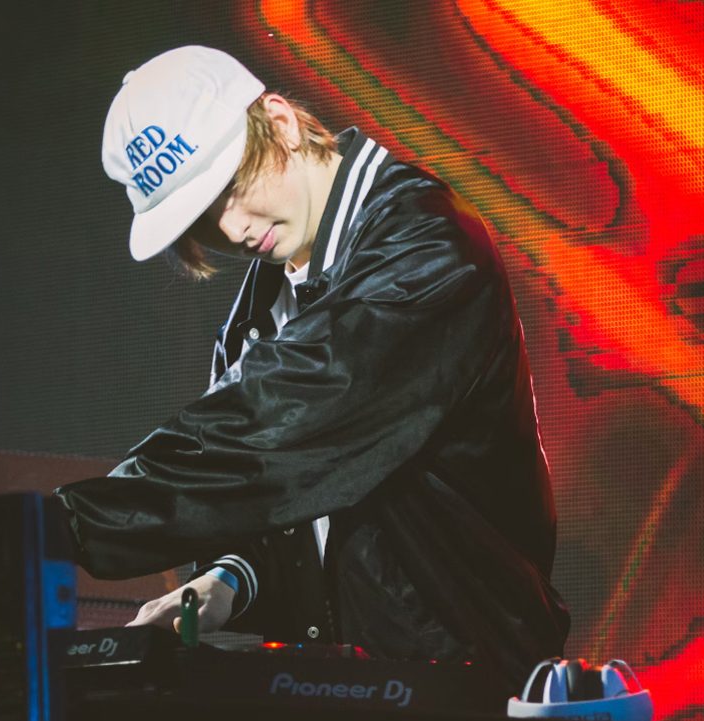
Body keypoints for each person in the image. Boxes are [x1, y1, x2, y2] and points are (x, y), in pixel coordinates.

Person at [54, 45, 569, 691]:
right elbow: (297, 500)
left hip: (468, 679)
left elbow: (285, 426)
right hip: (356, 683)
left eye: (229, 189)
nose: (232, 229)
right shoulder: (260, 310)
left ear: (281, 122)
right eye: (201, 218)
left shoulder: (427, 245)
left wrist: (63, 526)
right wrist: (231, 578)